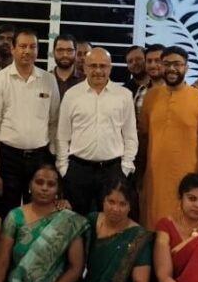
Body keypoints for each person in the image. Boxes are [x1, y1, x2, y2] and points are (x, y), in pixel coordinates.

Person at [139, 46, 198, 229]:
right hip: (154, 181)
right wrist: (140, 175)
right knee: (153, 229)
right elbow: (143, 137)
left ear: (186, 67)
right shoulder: (150, 97)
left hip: (188, 183)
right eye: (166, 64)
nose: (172, 68)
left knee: (183, 232)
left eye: (177, 64)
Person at [0, 29, 60, 216]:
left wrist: (53, 157)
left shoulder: (48, 80)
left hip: (40, 157)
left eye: (32, 47)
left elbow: (54, 122)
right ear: (13, 49)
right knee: (7, 213)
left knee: (39, 213)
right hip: (8, 158)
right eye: (23, 46)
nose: (27, 51)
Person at [56, 47, 138, 216]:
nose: (98, 71)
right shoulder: (72, 95)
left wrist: (125, 168)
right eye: (93, 66)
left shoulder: (124, 95)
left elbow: (130, 136)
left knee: (110, 221)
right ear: (84, 67)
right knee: (76, 221)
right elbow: (62, 136)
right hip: (78, 169)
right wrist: (64, 168)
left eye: (103, 66)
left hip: (113, 170)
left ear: (110, 68)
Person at [134, 43, 165, 119]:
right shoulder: (141, 90)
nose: (152, 65)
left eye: (157, 61)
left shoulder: (176, 90)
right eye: (149, 61)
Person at [51, 33, 81, 99]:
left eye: (69, 50)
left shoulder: (85, 80)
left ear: (76, 53)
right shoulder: (46, 79)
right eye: (60, 50)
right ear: (53, 52)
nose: (65, 55)